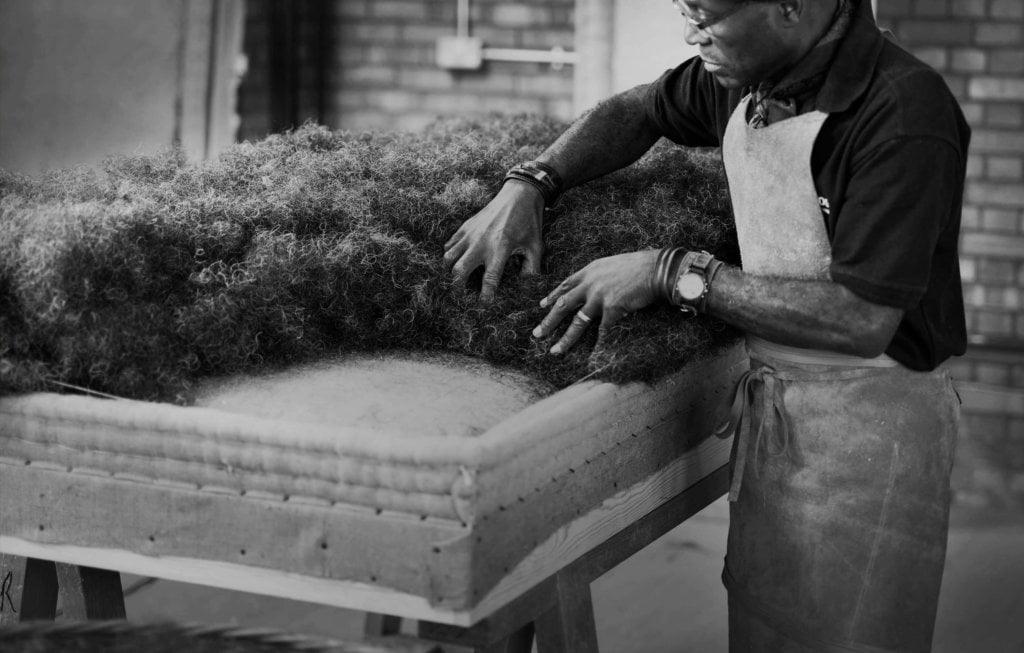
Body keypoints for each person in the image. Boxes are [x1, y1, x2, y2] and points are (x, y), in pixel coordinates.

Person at [444, 0, 970, 650]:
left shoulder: (902, 111)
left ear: (789, 9)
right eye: (684, 10)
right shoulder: (746, 80)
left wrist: (675, 273)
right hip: (779, 405)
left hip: (877, 426)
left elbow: (861, 318)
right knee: (767, 618)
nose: (691, 31)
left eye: (707, 14)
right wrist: (530, 183)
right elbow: (634, 111)